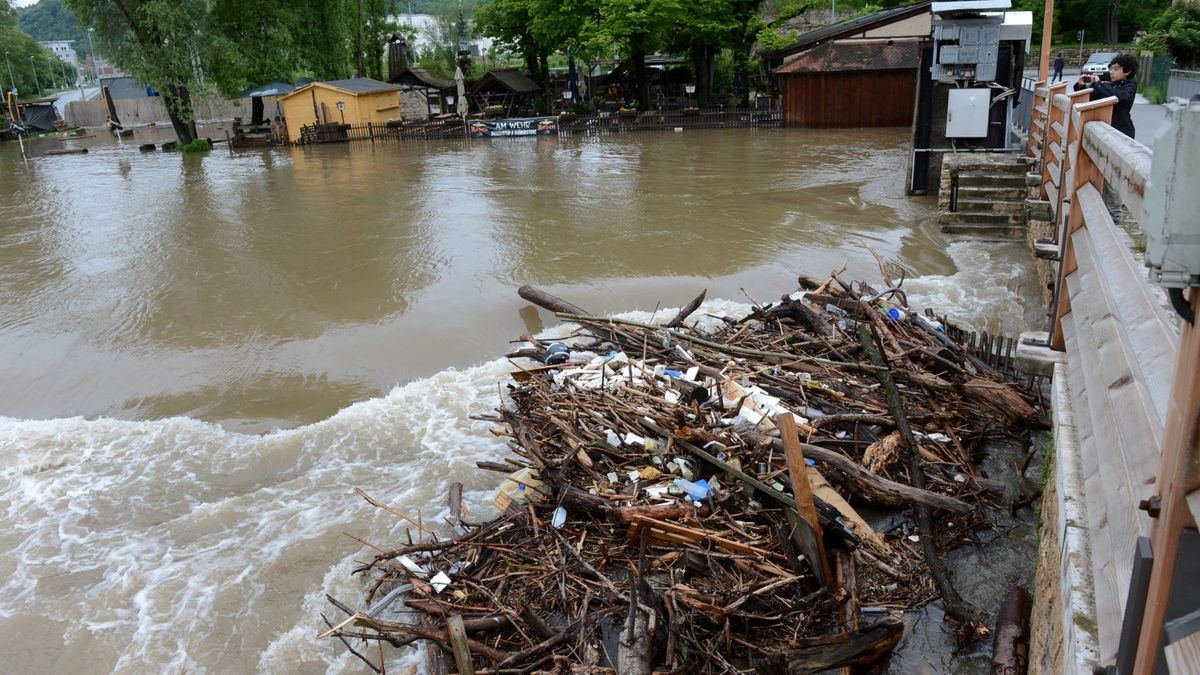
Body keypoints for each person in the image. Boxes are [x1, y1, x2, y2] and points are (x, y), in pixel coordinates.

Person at [1073, 53, 1138, 138]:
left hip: (1122, 132)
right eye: (1111, 69)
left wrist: (1099, 84)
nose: (1111, 72)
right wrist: (1080, 86)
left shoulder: (1130, 86)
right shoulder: (1111, 84)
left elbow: (1120, 96)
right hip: (1106, 129)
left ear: (1127, 71)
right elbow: (1090, 98)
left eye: (1116, 69)